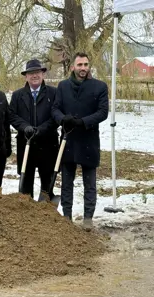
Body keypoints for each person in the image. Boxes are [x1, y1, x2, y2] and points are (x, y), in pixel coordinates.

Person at [52, 52, 109, 231]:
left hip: (88, 140)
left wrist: (83, 122)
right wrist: (63, 119)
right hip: (67, 140)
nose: (83, 68)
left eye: (85, 64)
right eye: (79, 65)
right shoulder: (63, 86)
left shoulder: (99, 87)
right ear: (72, 67)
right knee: (67, 182)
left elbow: (102, 112)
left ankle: (87, 218)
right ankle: (67, 216)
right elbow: (55, 109)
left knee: (89, 183)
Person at [9, 59, 59, 199]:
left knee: (47, 183)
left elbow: (56, 116)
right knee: (25, 183)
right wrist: (25, 127)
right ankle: (26, 215)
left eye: (37, 72)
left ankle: (46, 212)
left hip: (48, 144)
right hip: (25, 145)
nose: (34, 76)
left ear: (43, 74)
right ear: (26, 76)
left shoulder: (53, 93)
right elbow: (12, 115)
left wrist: (41, 129)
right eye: (31, 73)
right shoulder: (18, 95)